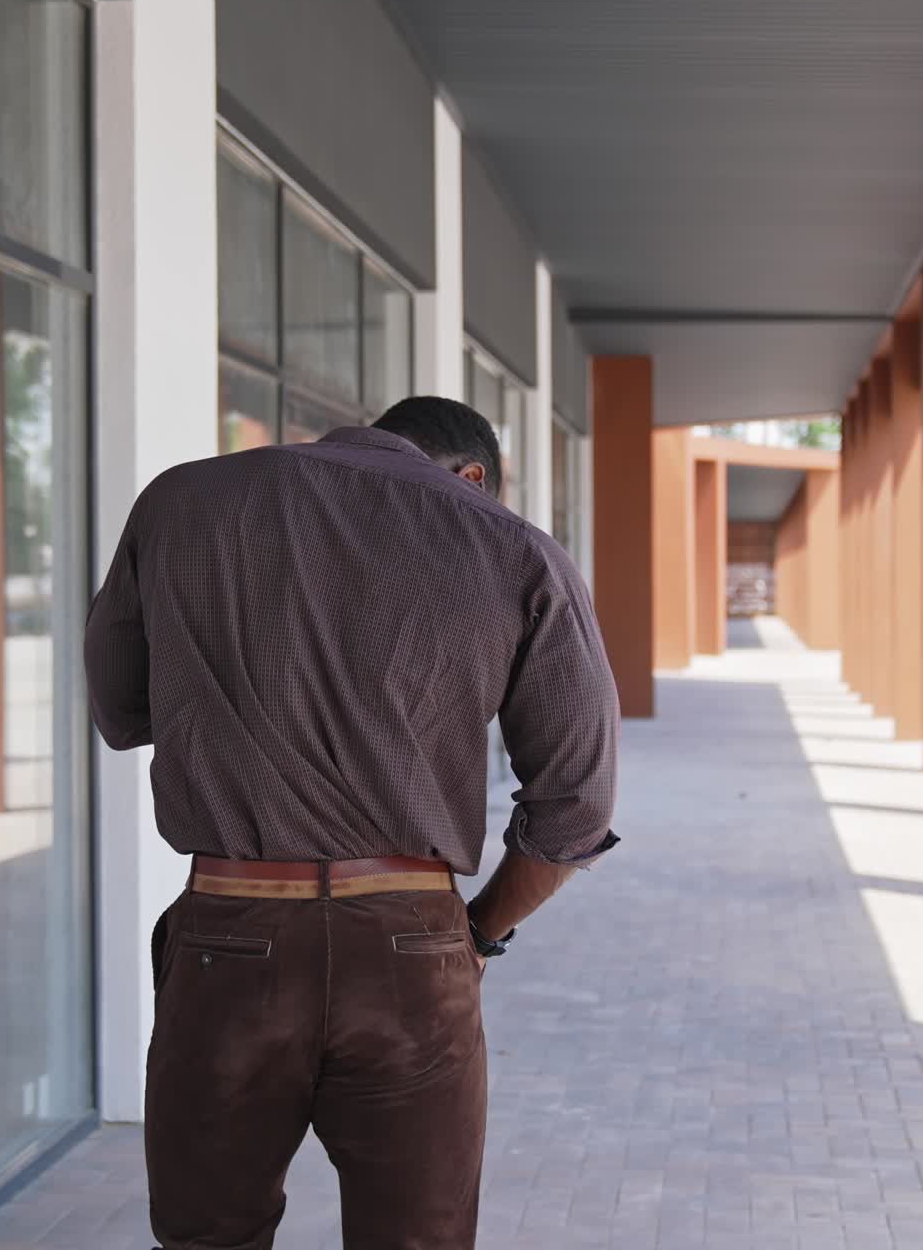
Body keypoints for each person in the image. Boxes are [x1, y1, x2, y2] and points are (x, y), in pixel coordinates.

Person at [85, 396, 620, 1250]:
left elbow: (121, 710)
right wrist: (478, 933)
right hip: (411, 951)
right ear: (474, 475)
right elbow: (578, 806)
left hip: (229, 938)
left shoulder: (180, 502)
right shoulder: (514, 548)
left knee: (205, 1238)